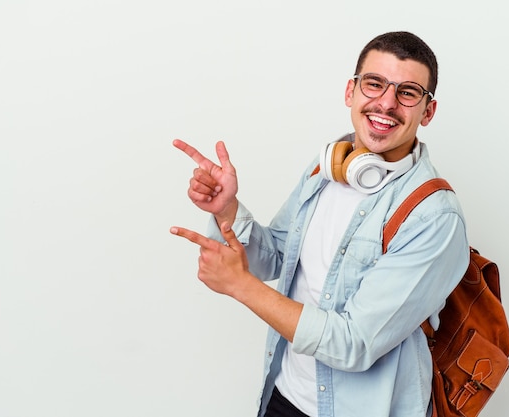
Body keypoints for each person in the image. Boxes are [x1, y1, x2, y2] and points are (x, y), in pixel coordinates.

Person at [170, 31, 470, 417]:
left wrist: (240, 287)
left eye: (408, 92)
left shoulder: (434, 217)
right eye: (374, 84)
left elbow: (354, 343)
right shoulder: (329, 167)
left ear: (427, 112)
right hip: (283, 395)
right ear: (351, 91)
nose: (387, 103)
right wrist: (227, 210)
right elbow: (276, 257)